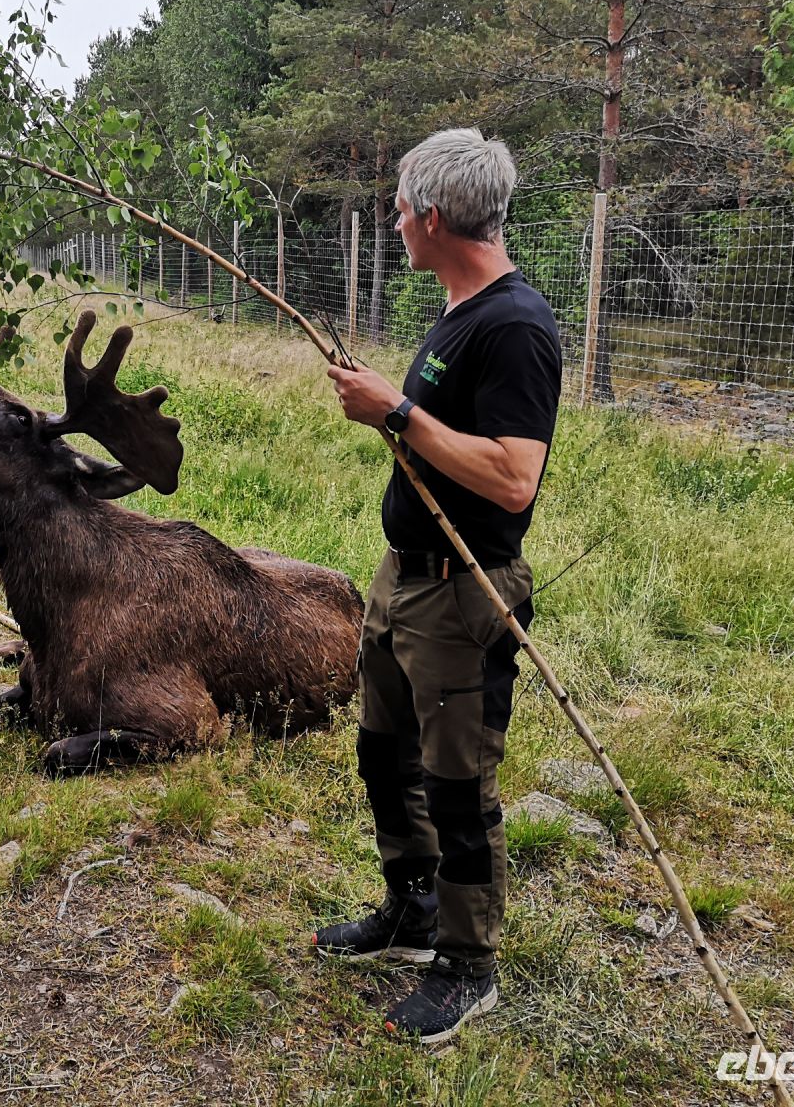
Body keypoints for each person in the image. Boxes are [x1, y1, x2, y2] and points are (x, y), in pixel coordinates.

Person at [317, 127, 562, 1045]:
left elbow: (512, 478)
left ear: (431, 216)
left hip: (464, 595)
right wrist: (395, 412)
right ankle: (412, 909)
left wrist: (397, 411)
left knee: (459, 785)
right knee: (385, 754)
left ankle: (467, 966)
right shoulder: (461, 310)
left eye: (398, 210)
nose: (392, 225)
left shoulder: (515, 327)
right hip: (404, 582)